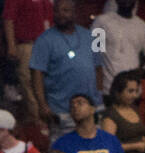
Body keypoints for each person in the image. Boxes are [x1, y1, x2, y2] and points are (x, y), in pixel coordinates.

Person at [29, 0, 100, 132]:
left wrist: (99, 96)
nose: (60, 14)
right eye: (56, 11)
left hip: (90, 108)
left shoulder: (91, 36)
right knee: (63, 151)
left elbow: (98, 67)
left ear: (75, 13)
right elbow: (36, 73)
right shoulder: (44, 40)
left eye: (65, 10)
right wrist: (42, 105)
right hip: (61, 110)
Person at [2, 0, 53, 122]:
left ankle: (50, 118)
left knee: (47, 82)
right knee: (28, 83)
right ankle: (38, 120)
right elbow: (9, 18)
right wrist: (11, 45)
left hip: (46, 45)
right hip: (26, 44)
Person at [91, 0, 145, 91]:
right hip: (107, 87)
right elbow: (94, 51)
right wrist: (98, 82)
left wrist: (140, 71)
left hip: (131, 90)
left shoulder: (141, 25)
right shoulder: (102, 21)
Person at [100, 71, 145, 153]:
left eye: (136, 91)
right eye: (130, 91)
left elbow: (140, 134)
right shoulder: (111, 115)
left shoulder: (134, 109)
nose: (134, 95)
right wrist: (135, 146)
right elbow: (109, 147)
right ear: (118, 92)